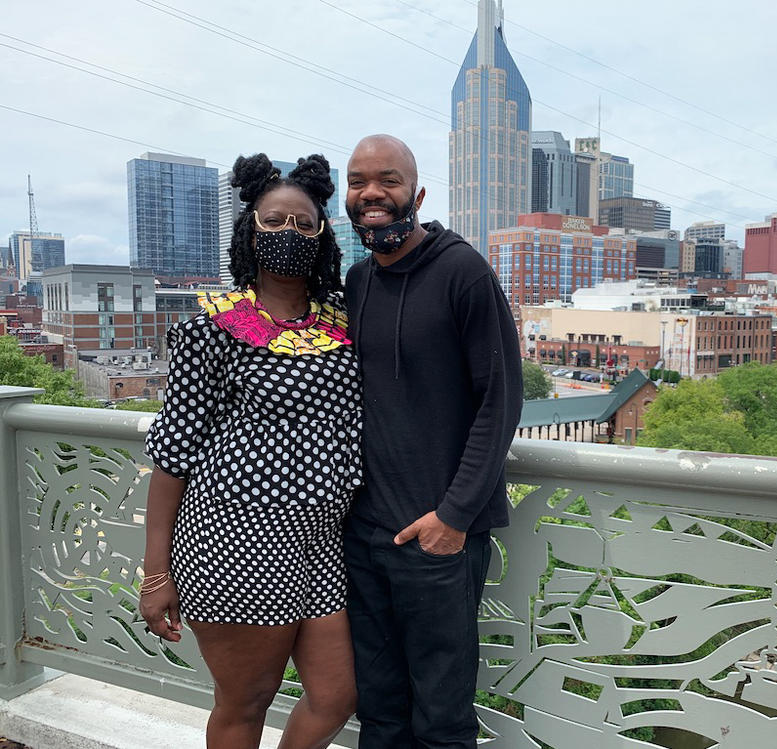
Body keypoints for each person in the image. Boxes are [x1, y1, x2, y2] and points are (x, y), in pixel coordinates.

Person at [141, 153, 360, 749]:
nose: (289, 233)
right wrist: (156, 573)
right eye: (273, 222)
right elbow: (173, 456)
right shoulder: (213, 328)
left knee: (338, 695)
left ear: (322, 236)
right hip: (238, 548)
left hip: (321, 547)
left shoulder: (342, 322)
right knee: (246, 702)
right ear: (248, 230)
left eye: (304, 224)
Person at [343, 134, 523, 748]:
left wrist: (454, 516)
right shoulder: (358, 279)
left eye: (387, 181)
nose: (372, 194)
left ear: (415, 194)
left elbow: (501, 399)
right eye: (359, 181)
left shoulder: (462, 271)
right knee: (381, 711)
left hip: (437, 540)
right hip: (365, 537)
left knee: (442, 721)